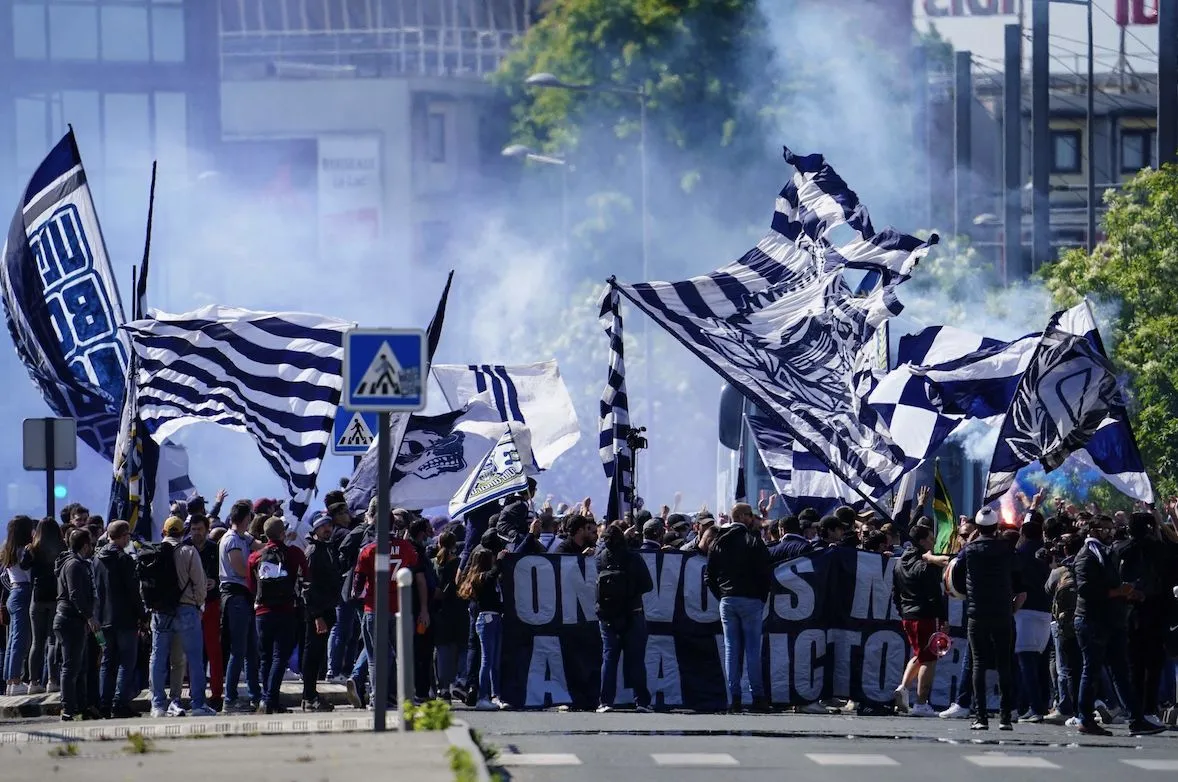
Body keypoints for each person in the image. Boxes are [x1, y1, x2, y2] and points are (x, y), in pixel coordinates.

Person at [1073, 515, 1165, 736]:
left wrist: (1128, 593)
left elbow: (1112, 583)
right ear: (1093, 530)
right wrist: (1117, 592)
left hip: (1111, 620)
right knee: (1091, 670)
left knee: (1121, 672)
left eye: (1111, 529)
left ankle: (1136, 719)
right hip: (1092, 620)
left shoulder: (1107, 553)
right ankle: (1085, 719)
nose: (1110, 533)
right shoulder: (1087, 555)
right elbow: (1085, 589)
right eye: (1104, 529)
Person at [352, 508, 425, 710]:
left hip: (374, 607)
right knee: (402, 655)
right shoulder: (406, 547)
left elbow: (357, 586)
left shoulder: (368, 550)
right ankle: (403, 696)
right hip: (399, 608)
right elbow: (414, 567)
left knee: (376, 658)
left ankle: (377, 698)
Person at [958, 507, 1023, 731]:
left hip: (977, 612)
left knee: (978, 663)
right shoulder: (1007, 550)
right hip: (1002, 612)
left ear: (977, 528)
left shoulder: (970, 550)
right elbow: (1019, 582)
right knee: (1004, 664)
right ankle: (1005, 717)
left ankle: (981, 717)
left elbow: (956, 574)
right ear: (996, 527)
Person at [705, 503, 772, 713]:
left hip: (728, 600)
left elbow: (709, 575)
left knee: (731, 650)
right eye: (750, 515)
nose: (752, 519)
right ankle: (757, 697)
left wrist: (722, 595)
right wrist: (761, 597)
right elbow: (766, 572)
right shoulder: (753, 540)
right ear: (743, 517)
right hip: (751, 599)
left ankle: (733, 698)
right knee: (752, 649)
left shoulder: (718, 541)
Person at [148, 516, 214, 718]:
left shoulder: (153, 551)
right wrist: (198, 603)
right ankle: (198, 704)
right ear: (183, 532)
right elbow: (200, 584)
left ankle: (157, 705)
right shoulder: (189, 551)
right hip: (187, 609)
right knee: (194, 659)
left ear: (164, 532)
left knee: (158, 658)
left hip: (160, 612)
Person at [246, 516, 308, 715]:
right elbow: (306, 576)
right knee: (280, 657)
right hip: (286, 611)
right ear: (283, 533)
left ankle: (270, 701)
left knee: (265, 658)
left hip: (262, 613)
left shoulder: (255, 557)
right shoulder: (295, 553)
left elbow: (251, 586)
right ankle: (269, 700)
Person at [594, 522, 655, 713]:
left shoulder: (600, 558)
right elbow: (648, 585)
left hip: (608, 616)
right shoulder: (633, 557)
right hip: (633, 613)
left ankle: (606, 701)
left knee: (609, 658)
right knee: (636, 659)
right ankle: (642, 701)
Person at [892, 524, 949, 717]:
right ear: (922, 541)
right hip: (925, 616)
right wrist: (943, 619)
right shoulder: (926, 565)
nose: (933, 543)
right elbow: (935, 596)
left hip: (908, 616)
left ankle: (903, 688)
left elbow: (895, 592)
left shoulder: (899, 563)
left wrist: (902, 612)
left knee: (920, 654)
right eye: (931, 539)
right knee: (929, 659)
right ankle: (921, 703)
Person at [93, 520, 144, 718]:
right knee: (126, 661)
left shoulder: (97, 559)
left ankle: (104, 704)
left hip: (103, 618)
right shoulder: (125, 560)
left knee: (107, 662)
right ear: (123, 536)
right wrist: (141, 615)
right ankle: (120, 703)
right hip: (125, 618)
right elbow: (133, 591)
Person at [219, 500, 262, 713]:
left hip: (244, 597)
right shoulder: (232, 540)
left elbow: (260, 547)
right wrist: (259, 574)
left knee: (251, 650)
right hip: (235, 596)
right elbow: (240, 568)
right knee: (238, 650)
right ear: (246, 518)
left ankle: (255, 696)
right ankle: (230, 699)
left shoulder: (243, 537)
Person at [53, 529, 98, 721]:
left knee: (80, 666)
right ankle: (68, 708)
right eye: (90, 545)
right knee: (71, 666)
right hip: (70, 620)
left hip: (72, 620)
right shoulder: (74, 565)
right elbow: (75, 594)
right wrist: (89, 617)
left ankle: (81, 706)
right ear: (85, 546)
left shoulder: (74, 563)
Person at [1013, 518, 1053, 723]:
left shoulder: (1019, 554)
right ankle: (1041, 704)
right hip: (1045, 611)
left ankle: (1034, 707)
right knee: (1041, 662)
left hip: (1025, 611)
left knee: (1026, 661)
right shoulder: (1048, 553)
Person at [458, 548, 507, 710]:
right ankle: (483, 697)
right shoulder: (480, 577)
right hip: (486, 620)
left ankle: (495, 695)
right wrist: (500, 559)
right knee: (487, 660)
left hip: (496, 619)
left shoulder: (489, 578)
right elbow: (492, 574)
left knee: (495, 661)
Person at [301, 514, 340, 712]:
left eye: (329, 525)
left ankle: (311, 694)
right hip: (316, 612)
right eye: (323, 526)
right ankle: (309, 696)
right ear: (315, 529)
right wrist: (317, 616)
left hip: (327, 608)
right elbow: (307, 587)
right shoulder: (313, 551)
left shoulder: (327, 548)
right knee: (312, 654)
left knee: (317, 655)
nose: (327, 529)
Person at [185, 514, 223, 710]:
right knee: (193, 651)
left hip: (211, 603)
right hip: (190, 605)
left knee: (213, 649)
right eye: (193, 529)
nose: (196, 533)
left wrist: (214, 581)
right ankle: (195, 692)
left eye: (200, 529)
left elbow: (221, 573)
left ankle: (216, 694)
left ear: (207, 530)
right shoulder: (184, 548)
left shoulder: (214, 549)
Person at [26, 517, 63, 693]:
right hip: (55, 595)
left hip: (38, 596)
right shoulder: (62, 547)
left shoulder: (33, 549)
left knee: (37, 642)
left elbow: (24, 566)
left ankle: (33, 682)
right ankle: (52, 680)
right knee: (53, 640)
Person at [1, 515, 35, 695]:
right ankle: (15, 680)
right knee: (20, 639)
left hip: (14, 591)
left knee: (13, 639)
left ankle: (10, 681)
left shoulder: (8, 548)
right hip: (24, 591)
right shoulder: (25, 550)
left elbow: (3, 576)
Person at [432, 529, 466, 699]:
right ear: (454, 545)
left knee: (441, 650)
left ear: (439, 543)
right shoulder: (459, 564)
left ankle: (443, 687)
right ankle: (457, 681)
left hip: (439, 611)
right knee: (460, 648)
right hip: (458, 610)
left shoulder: (433, 563)